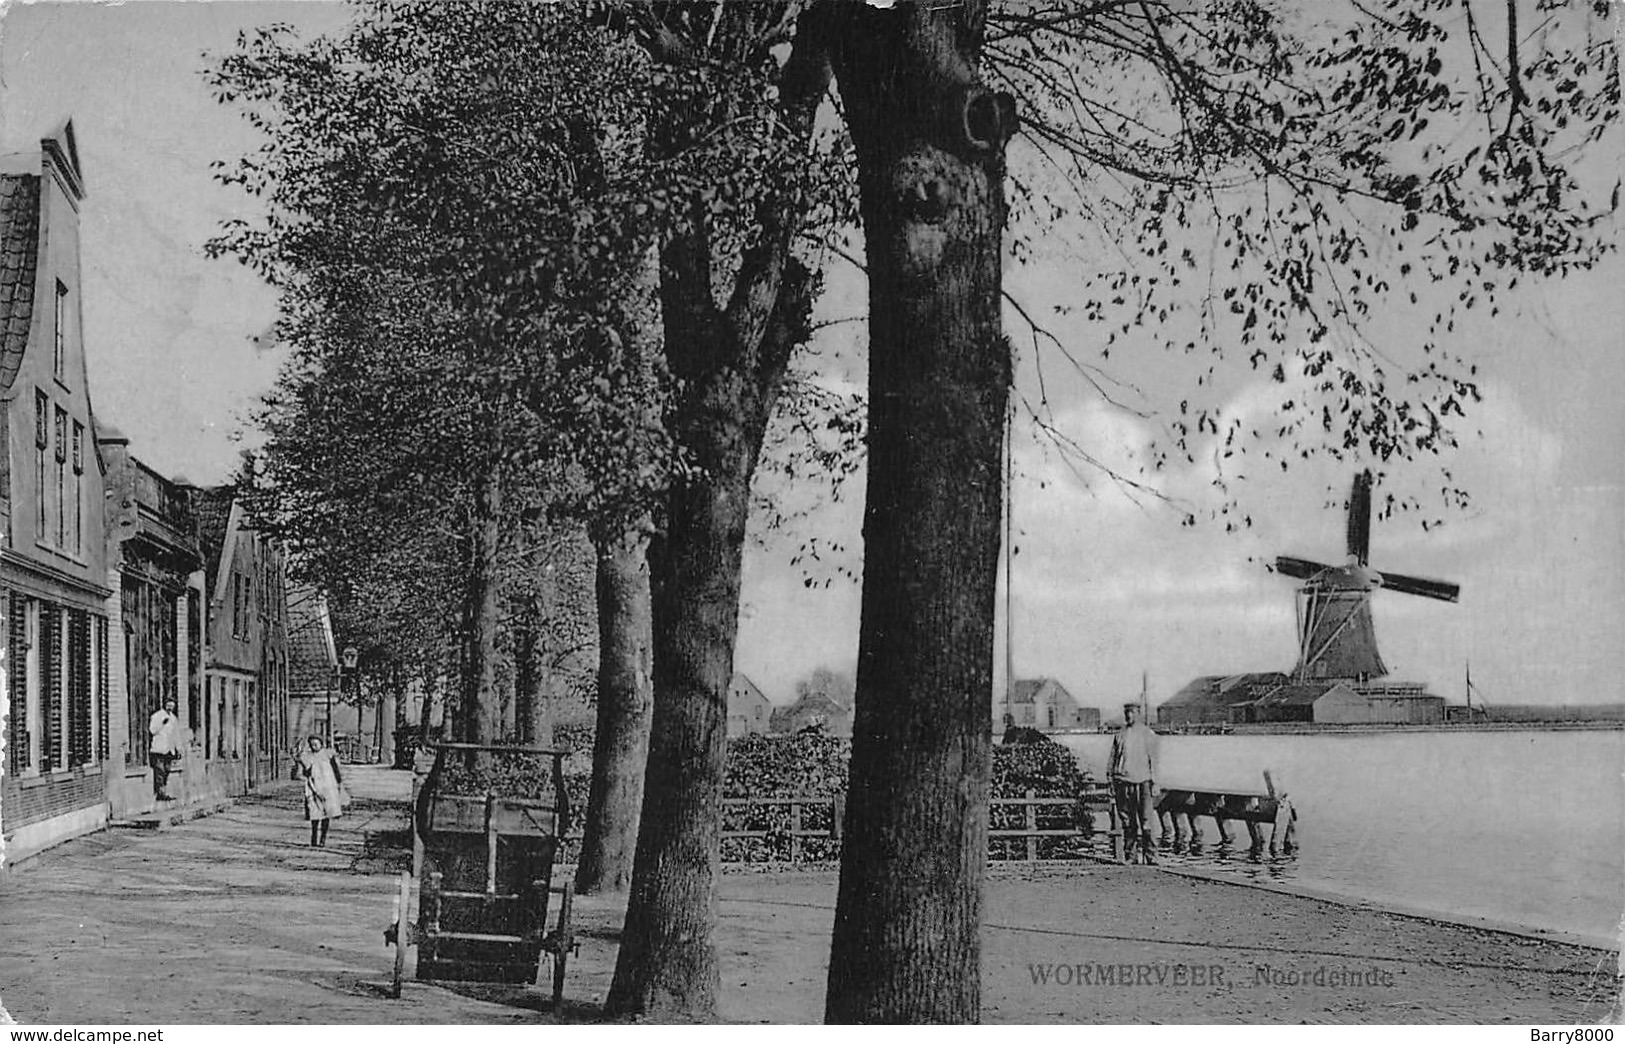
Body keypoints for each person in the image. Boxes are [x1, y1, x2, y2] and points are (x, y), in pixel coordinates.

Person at [1109, 702, 1159, 864]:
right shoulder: (1120, 735)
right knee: (1127, 821)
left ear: (1138, 714)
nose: (1129, 716)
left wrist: (1155, 782)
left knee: (1146, 821)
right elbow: (1112, 759)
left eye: (1132, 712)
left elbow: (1154, 760)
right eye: (1127, 713)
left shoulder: (1147, 734)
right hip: (1122, 782)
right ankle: (1130, 856)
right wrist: (1111, 779)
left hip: (1143, 781)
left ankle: (1151, 856)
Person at [298, 736, 346, 847]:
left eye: (316, 744)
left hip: (328, 786)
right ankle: (314, 838)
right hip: (314, 787)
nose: (314, 746)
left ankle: (323, 839)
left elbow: (335, 770)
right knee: (314, 813)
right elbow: (306, 772)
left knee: (327, 813)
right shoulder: (308, 757)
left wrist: (339, 784)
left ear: (321, 744)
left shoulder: (328, 755)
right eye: (312, 744)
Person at [148, 698, 183, 802]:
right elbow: (152, 730)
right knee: (160, 771)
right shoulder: (157, 716)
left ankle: (164, 791)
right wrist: (162, 723)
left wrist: (179, 748)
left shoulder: (174, 718)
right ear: (164, 705)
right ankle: (160, 793)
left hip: (169, 748)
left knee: (167, 770)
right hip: (158, 748)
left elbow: (176, 734)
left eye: (172, 707)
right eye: (168, 706)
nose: (170, 709)